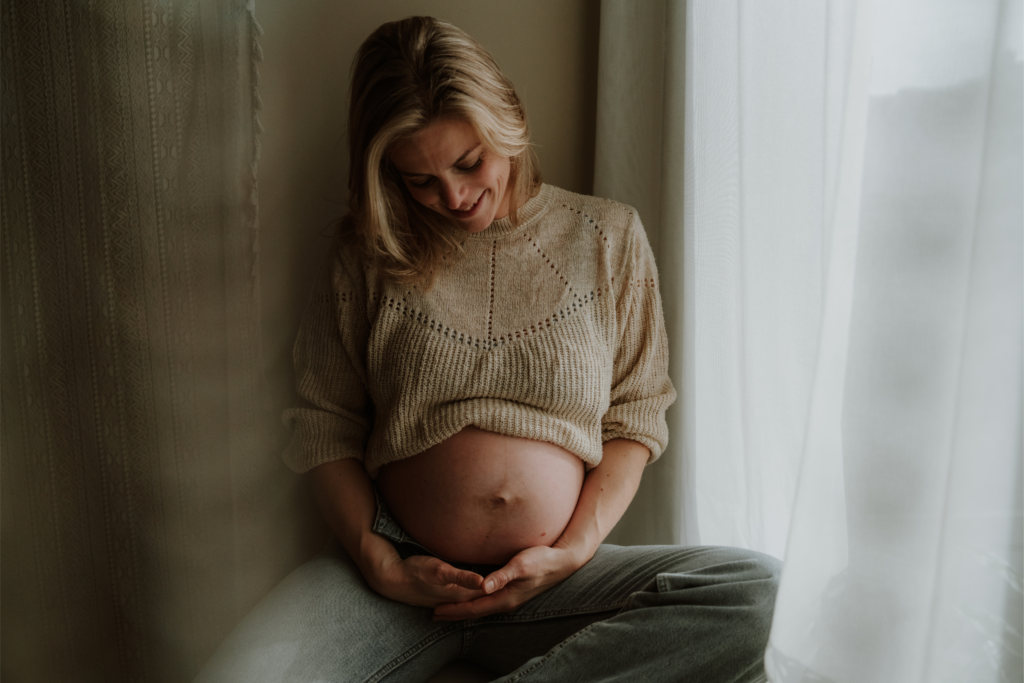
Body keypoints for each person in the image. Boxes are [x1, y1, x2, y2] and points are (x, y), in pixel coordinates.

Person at [197, 16, 780, 683]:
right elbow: (322, 426)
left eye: (468, 162)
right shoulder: (366, 256)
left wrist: (574, 548)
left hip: (557, 582)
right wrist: (375, 556)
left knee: (762, 595)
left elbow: (636, 417)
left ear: (507, 121)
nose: (452, 195)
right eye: (419, 180)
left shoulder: (607, 237)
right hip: (394, 583)